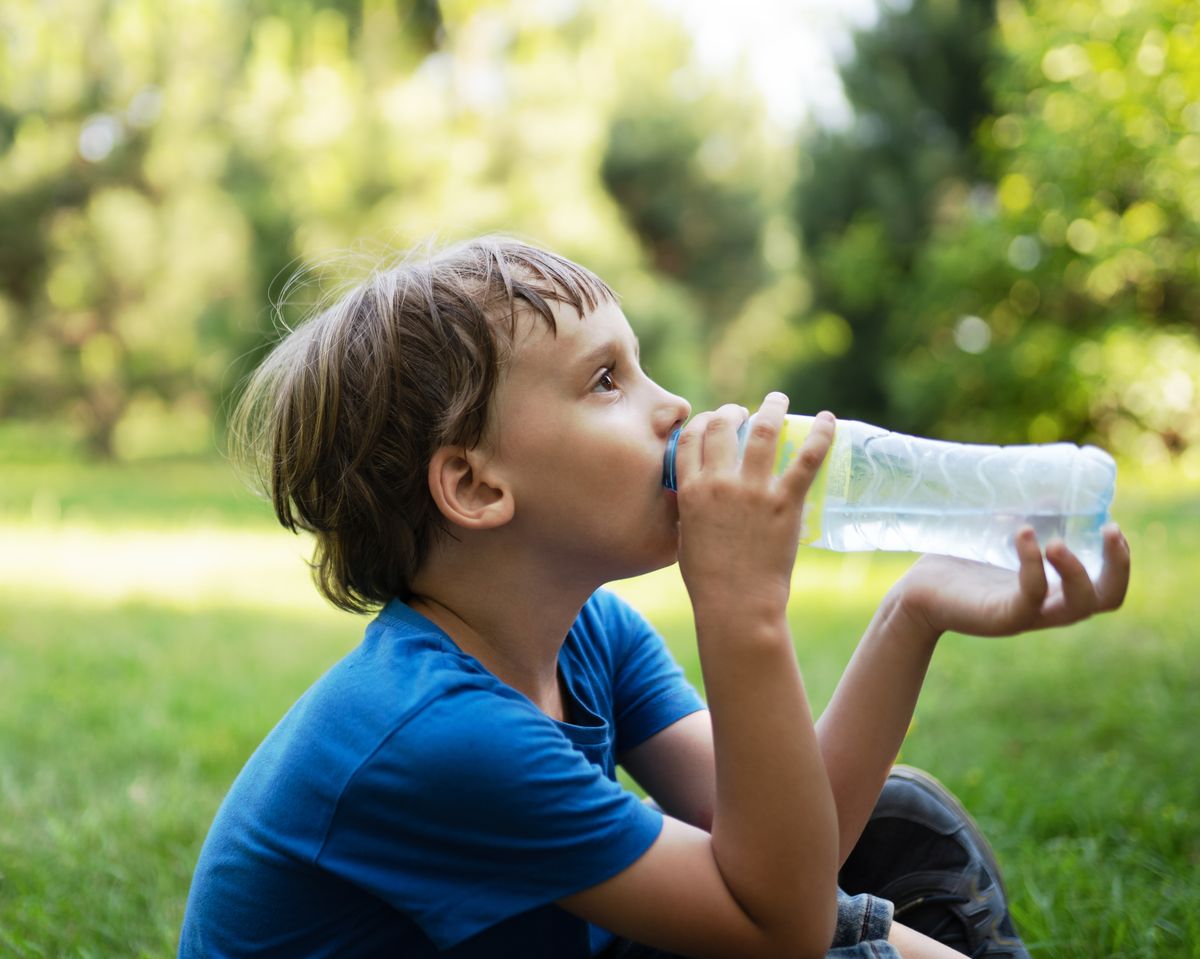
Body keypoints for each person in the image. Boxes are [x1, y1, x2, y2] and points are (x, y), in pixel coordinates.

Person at [179, 236, 1129, 959]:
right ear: (474, 487)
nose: (674, 407)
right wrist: (741, 610)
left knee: (894, 819)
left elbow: (803, 844)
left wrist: (912, 610)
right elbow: (784, 927)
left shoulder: (589, 635)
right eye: (605, 380)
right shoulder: (434, 733)